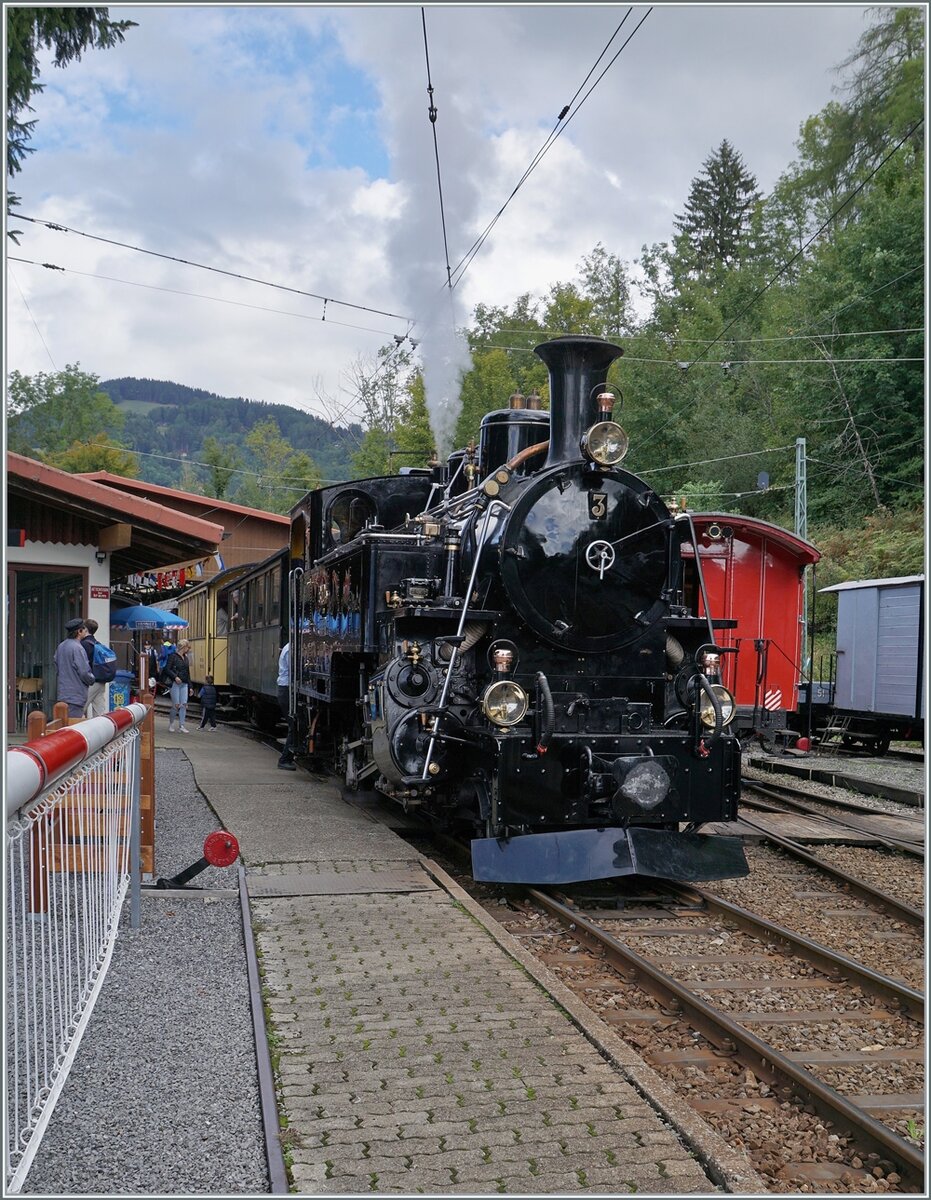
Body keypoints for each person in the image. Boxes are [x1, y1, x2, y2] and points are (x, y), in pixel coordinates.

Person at [54, 618, 95, 719]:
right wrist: (92, 679)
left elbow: (56, 664)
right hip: (76, 694)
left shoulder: (61, 646)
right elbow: (84, 672)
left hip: (63, 693)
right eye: (84, 630)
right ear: (79, 631)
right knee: (73, 726)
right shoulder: (78, 648)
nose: (85, 632)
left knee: (62, 723)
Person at [80, 618, 109, 718]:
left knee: (78, 710)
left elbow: (82, 665)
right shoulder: (97, 643)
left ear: (85, 630)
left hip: (91, 682)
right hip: (101, 682)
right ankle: (102, 732)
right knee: (99, 713)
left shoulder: (84, 645)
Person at [163, 639, 192, 733]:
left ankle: (182, 725)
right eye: (188, 647)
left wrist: (190, 686)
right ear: (183, 647)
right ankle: (171, 723)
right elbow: (167, 669)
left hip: (184, 683)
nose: (188, 649)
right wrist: (175, 677)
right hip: (175, 683)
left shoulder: (186, 658)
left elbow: (188, 673)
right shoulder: (173, 657)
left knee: (183, 704)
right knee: (176, 705)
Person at [276, 641, 296, 770]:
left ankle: (288, 757)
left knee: (293, 725)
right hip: (286, 689)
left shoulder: (288, 647)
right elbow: (293, 670)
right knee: (293, 725)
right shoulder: (290, 649)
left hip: (286, 689)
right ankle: (284, 759)